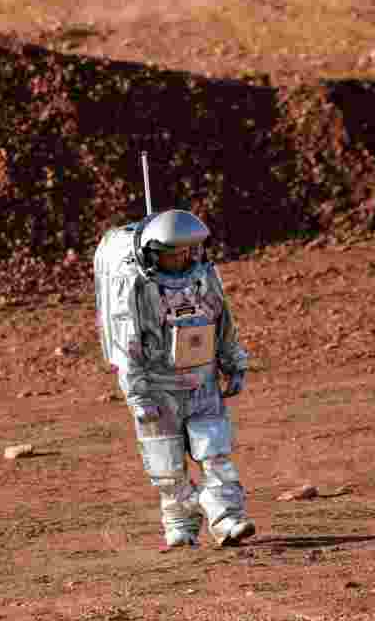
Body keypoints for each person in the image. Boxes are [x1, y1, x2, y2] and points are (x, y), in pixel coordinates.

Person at [95, 208, 255, 548]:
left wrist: (234, 361)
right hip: (158, 387)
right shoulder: (137, 287)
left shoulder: (204, 277)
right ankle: (180, 520)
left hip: (202, 382)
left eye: (187, 252)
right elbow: (128, 346)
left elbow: (223, 321)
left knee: (215, 454)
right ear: (153, 254)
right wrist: (137, 395)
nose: (182, 260)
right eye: (173, 255)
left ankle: (228, 518)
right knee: (167, 469)